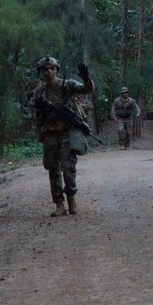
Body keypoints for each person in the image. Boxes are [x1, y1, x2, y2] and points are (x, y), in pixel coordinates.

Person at [29, 56, 94, 216]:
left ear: (56, 69)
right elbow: (33, 111)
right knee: (53, 169)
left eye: (52, 68)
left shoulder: (67, 85)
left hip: (67, 131)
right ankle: (59, 204)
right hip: (49, 133)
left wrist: (87, 79)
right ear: (41, 72)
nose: (49, 71)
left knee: (68, 168)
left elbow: (88, 90)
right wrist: (38, 105)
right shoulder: (40, 91)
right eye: (45, 69)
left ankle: (71, 197)